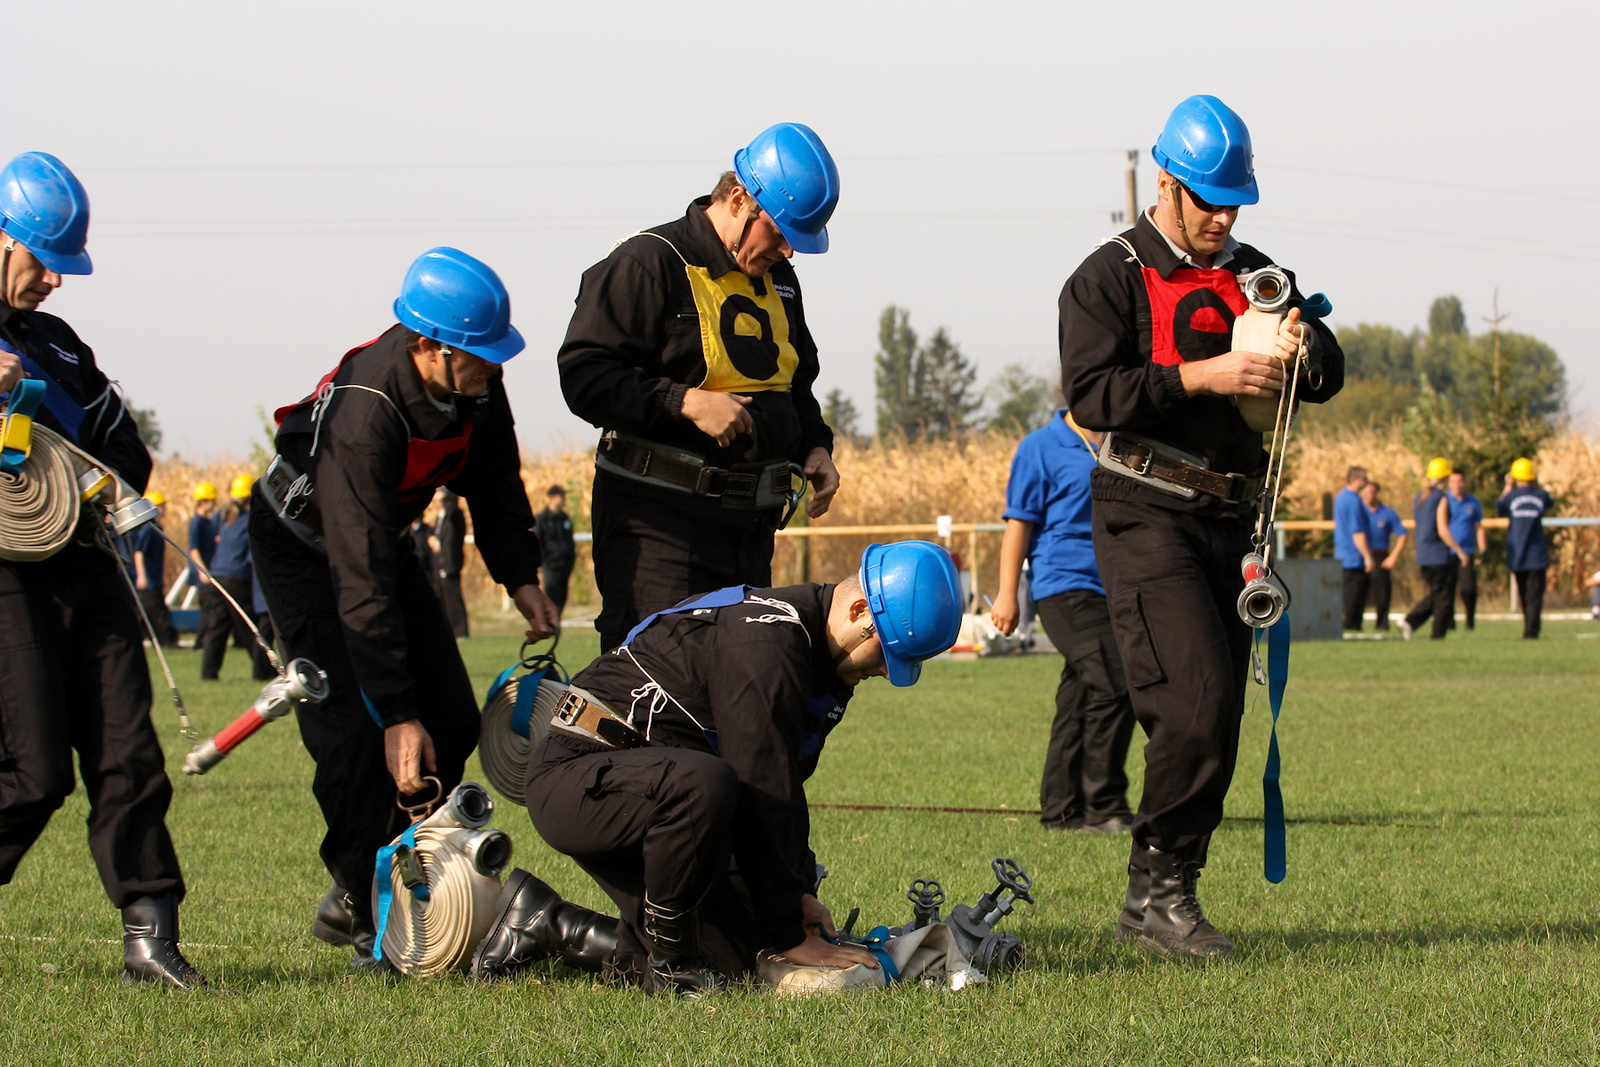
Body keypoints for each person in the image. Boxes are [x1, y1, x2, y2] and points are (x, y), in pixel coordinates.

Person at [1058, 95, 1344, 959]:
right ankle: (1158, 895)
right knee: (1196, 699)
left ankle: (1163, 897)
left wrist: (1307, 344)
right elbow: (1092, 395)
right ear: (1167, 182)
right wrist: (1205, 375)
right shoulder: (1105, 275)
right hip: (1145, 507)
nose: (1223, 218)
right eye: (1209, 200)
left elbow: (1328, 371)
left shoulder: (1256, 268)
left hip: (1232, 517)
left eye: (1235, 203)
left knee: (1218, 718)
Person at [251, 246, 560, 969]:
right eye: (477, 355)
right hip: (305, 548)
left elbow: (495, 481)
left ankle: (412, 880)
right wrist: (393, 709)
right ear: (427, 345)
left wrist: (521, 576)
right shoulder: (368, 410)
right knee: (353, 737)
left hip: (378, 542)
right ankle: (366, 906)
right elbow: (358, 581)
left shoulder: (477, 387)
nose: (490, 369)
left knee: (449, 715)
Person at [472, 541, 964, 994]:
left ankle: (545, 920)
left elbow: (781, 794)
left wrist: (794, 896)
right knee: (704, 787)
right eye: (887, 653)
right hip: (580, 776)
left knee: (737, 960)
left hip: (661, 794)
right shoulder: (767, 643)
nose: (885, 671)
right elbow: (758, 778)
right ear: (859, 611)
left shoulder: (824, 665)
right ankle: (671, 965)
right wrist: (788, 929)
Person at [0, 152, 208, 987]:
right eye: (42, 257)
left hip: (88, 565)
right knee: (34, 769)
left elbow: (126, 451)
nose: (55, 278)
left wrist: (77, 469)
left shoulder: (59, 346)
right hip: (8, 577)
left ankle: (150, 940)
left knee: (130, 754)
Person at [558, 123, 843, 651]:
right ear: (739, 199)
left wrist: (815, 444)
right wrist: (683, 401)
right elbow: (584, 375)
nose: (786, 251)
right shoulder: (649, 262)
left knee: (736, 695)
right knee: (653, 696)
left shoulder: (778, 278)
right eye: (779, 233)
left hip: (749, 531)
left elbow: (794, 382)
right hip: (658, 529)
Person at [990, 409, 1135, 834]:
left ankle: (1061, 810)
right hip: (1063, 586)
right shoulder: (1040, 447)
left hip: (1113, 587)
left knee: (1079, 696)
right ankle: (1104, 806)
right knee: (1116, 682)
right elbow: (1019, 525)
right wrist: (1007, 593)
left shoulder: (1123, 443)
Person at [196, 475, 273, 681]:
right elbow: (253, 554)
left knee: (218, 629)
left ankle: (208, 673)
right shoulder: (251, 518)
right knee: (250, 628)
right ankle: (263, 671)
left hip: (217, 578)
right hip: (236, 579)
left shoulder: (224, 516)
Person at [1400, 458, 1471, 641]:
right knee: (1443, 598)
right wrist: (1459, 550)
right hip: (1438, 555)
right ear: (1445, 477)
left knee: (1437, 595)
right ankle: (1434, 633)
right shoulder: (1441, 498)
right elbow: (1443, 529)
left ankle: (1411, 623)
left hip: (1423, 554)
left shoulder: (1420, 497)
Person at [1496, 457, 1553, 639]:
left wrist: (1507, 487)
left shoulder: (1511, 496)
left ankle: (1529, 628)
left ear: (1514, 477)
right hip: (1537, 554)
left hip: (1517, 553)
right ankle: (1532, 630)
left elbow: (1499, 508)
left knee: (1523, 594)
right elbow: (1550, 503)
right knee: (1535, 595)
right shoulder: (1540, 495)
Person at [129, 491, 179, 647]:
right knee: (157, 612)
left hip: (154, 578)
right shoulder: (148, 529)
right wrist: (142, 576)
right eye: (161, 506)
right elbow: (139, 553)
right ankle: (168, 642)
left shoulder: (156, 527)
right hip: (148, 579)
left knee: (150, 611)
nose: (164, 509)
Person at [1361, 481, 1407, 631]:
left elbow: (1402, 534)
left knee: (1382, 593)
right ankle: (1354, 624)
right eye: (1364, 492)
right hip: (1360, 556)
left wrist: (1393, 557)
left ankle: (1382, 624)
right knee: (1358, 593)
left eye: (1370, 492)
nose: (1366, 496)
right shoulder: (1360, 512)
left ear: (1377, 494)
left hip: (1380, 557)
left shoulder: (1388, 513)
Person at [1333, 466, 1375, 631]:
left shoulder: (1341, 497)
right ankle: (1351, 626)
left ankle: (1350, 624)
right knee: (1355, 594)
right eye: (1364, 478)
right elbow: (1357, 531)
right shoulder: (1354, 500)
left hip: (1342, 552)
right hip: (1353, 555)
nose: (1366, 481)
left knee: (1348, 592)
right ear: (1356, 479)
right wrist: (1367, 556)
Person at [1446, 470, 1487, 630]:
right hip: (1447, 552)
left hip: (1467, 551)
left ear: (1465, 482)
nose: (1457, 485)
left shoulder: (1473, 502)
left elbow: (1478, 527)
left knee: (1468, 588)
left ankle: (1470, 620)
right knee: (1447, 590)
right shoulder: (1444, 501)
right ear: (1449, 484)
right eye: (1454, 481)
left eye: (1460, 481)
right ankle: (1449, 623)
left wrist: (1483, 549)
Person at [429, 488, 469, 638]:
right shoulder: (441, 516)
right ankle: (447, 631)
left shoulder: (453, 512)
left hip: (450, 562)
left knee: (453, 598)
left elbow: (451, 537)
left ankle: (460, 632)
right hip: (439, 561)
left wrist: (446, 497)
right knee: (441, 598)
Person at [534, 485, 576, 613]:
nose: (564, 498)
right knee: (552, 596)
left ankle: (556, 624)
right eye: (561, 496)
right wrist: (541, 561)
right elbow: (537, 542)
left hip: (565, 565)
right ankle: (550, 624)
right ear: (552, 497)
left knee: (562, 598)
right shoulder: (542, 519)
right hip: (550, 565)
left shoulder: (564, 518)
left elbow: (569, 541)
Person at [188, 481, 221, 641]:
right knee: (208, 607)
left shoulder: (208, 522)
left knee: (210, 607)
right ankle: (201, 641)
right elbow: (194, 549)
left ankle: (202, 640)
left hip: (211, 569)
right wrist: (202, 571)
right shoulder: (197, 523)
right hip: (204, 571)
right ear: (203, 502)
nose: (214, 504)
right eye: (211, 501)